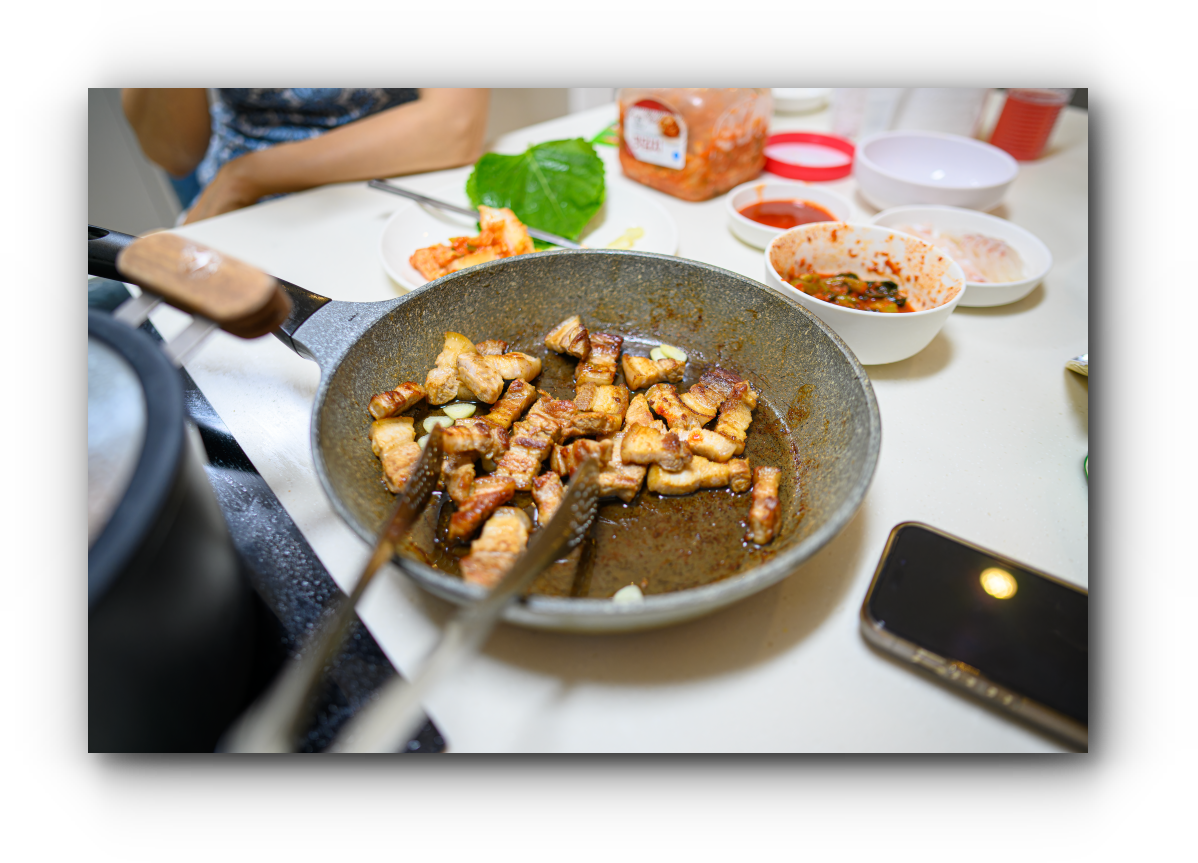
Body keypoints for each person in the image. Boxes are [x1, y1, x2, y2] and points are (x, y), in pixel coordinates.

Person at [122, 88, 490, 224]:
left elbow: (453, 126)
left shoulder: (244, 178)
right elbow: (176, 155)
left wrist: (249, 176)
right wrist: (239, 181)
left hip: (396, 170)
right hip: (239, 206)